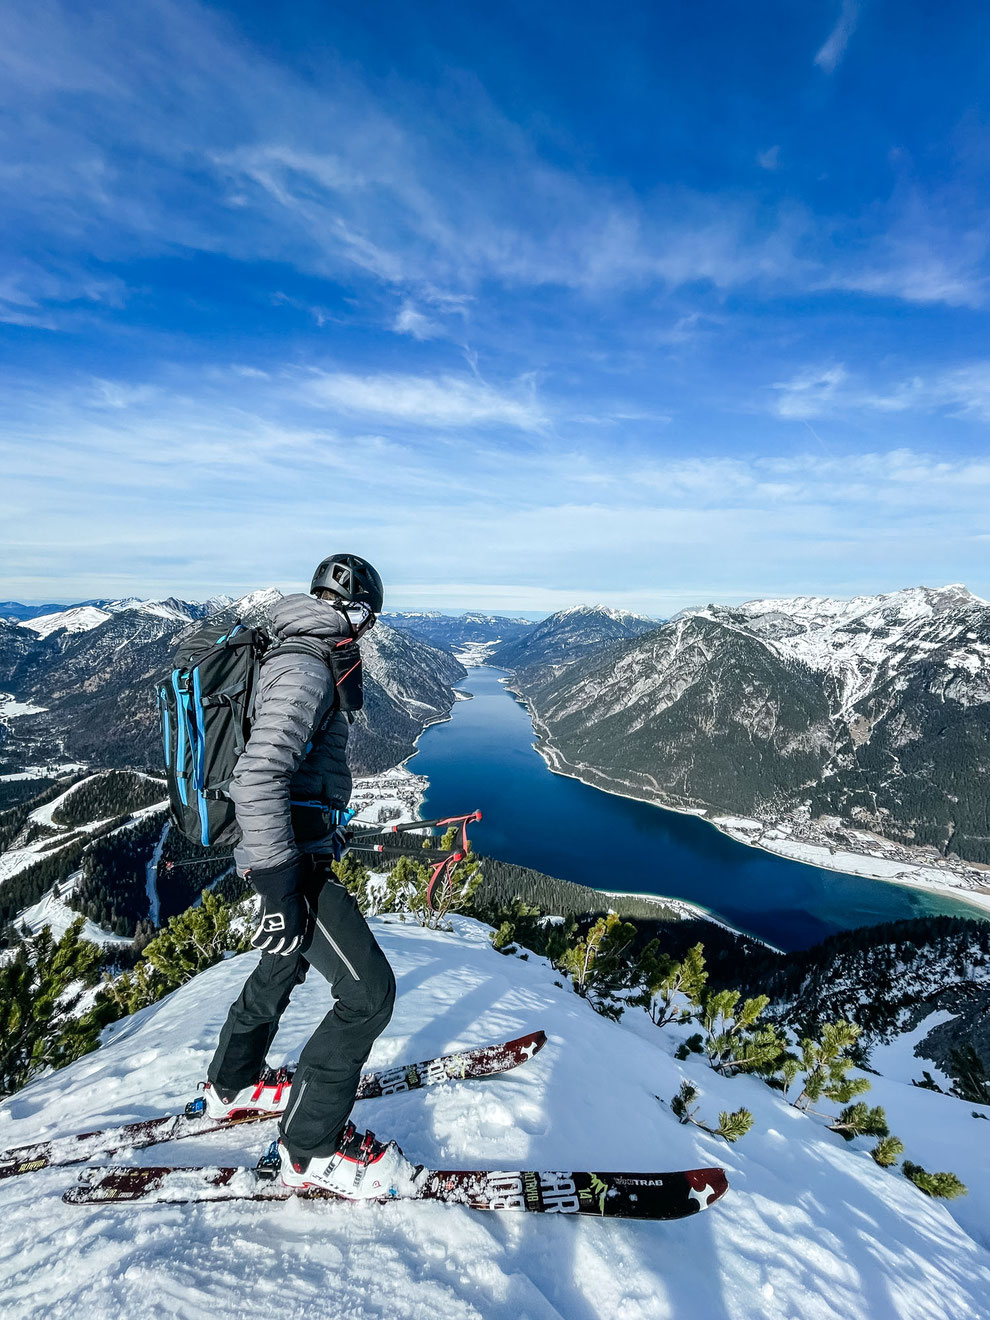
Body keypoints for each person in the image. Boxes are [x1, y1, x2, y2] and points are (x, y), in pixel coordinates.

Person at [202, 554, 417, 1198]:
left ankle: (231, 1085)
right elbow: (259, 774)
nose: (367, 634)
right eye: (368, 621)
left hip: (289, 851)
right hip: (287, 861)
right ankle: (309, 1147)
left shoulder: (294, 644)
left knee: (283, 962)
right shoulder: (306, 664)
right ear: (355, 610)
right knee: (368, 993)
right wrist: (278, 888)